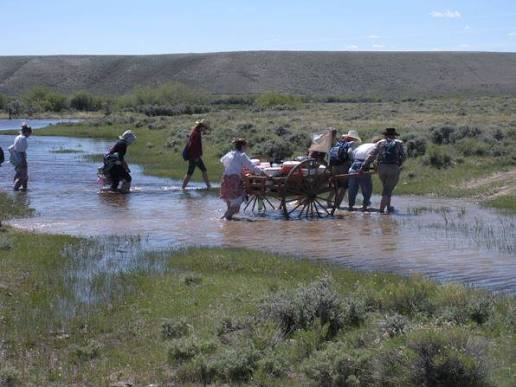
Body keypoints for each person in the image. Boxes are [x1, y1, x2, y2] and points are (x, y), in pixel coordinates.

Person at [360, 128, 406, 214]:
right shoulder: (399, 143)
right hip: (393, 167)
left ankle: (388, 207)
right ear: (394, 135)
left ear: (385, 135)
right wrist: (399, 164)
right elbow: (403, 156)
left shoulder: (380, 143)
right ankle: (381, 211)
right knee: (387, 190)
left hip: (381, 167)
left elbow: (371, 155)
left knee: (386, 187)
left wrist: (364, 166)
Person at [220, 138, 263, 220]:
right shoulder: (242, 155)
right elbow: (252, 166)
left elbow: (223, 161)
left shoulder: (229, 154)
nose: (246, 148)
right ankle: (223, 220)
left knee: (230, 206)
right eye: (246, 146)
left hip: (225, 179)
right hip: (234, 180)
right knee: (236, 205)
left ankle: (227, 224)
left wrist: (236, 168)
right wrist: (262, 173)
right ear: (242, 146)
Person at [328, 130, 362, 209]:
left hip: (334, 166)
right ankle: (337, 205)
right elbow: (350, 153)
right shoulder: (351, 144)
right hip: (344, 166)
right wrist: (353, 160)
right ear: (353, 138)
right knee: (343, 187)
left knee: (336, 185)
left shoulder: (339, 143)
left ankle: (329, 201)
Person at [347, 138, 380, 211]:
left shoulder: (364, 145)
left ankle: (350, 206)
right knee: (367, 187)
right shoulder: (375, 147)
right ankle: (365, 205)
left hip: (353, 166)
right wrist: (376, 170)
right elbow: (373, 159)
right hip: (363, 166)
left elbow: (352, 154)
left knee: (352, 188)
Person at [182, 119, 211, 190]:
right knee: (195, 171)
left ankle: (183, 187)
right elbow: (193, 146)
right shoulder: (196, 134)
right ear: (202, 127)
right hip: (195, 156)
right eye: (205, 128)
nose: (205, 129)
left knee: (194, 171)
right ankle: (208, 186)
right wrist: (196, 157)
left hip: (194, 156)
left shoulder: (195, 132)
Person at [9, 123, 32, 191]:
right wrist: (23, 161)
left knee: (23, 176)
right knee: (22, 177)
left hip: (16, 159)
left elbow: (13, 148)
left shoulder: (18, 137)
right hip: (21, 159)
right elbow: (21, 151)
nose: (30, 135)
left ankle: (23, 191)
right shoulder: (23, 138)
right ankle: (15, 190)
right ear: (27, 132)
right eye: (30, 133)